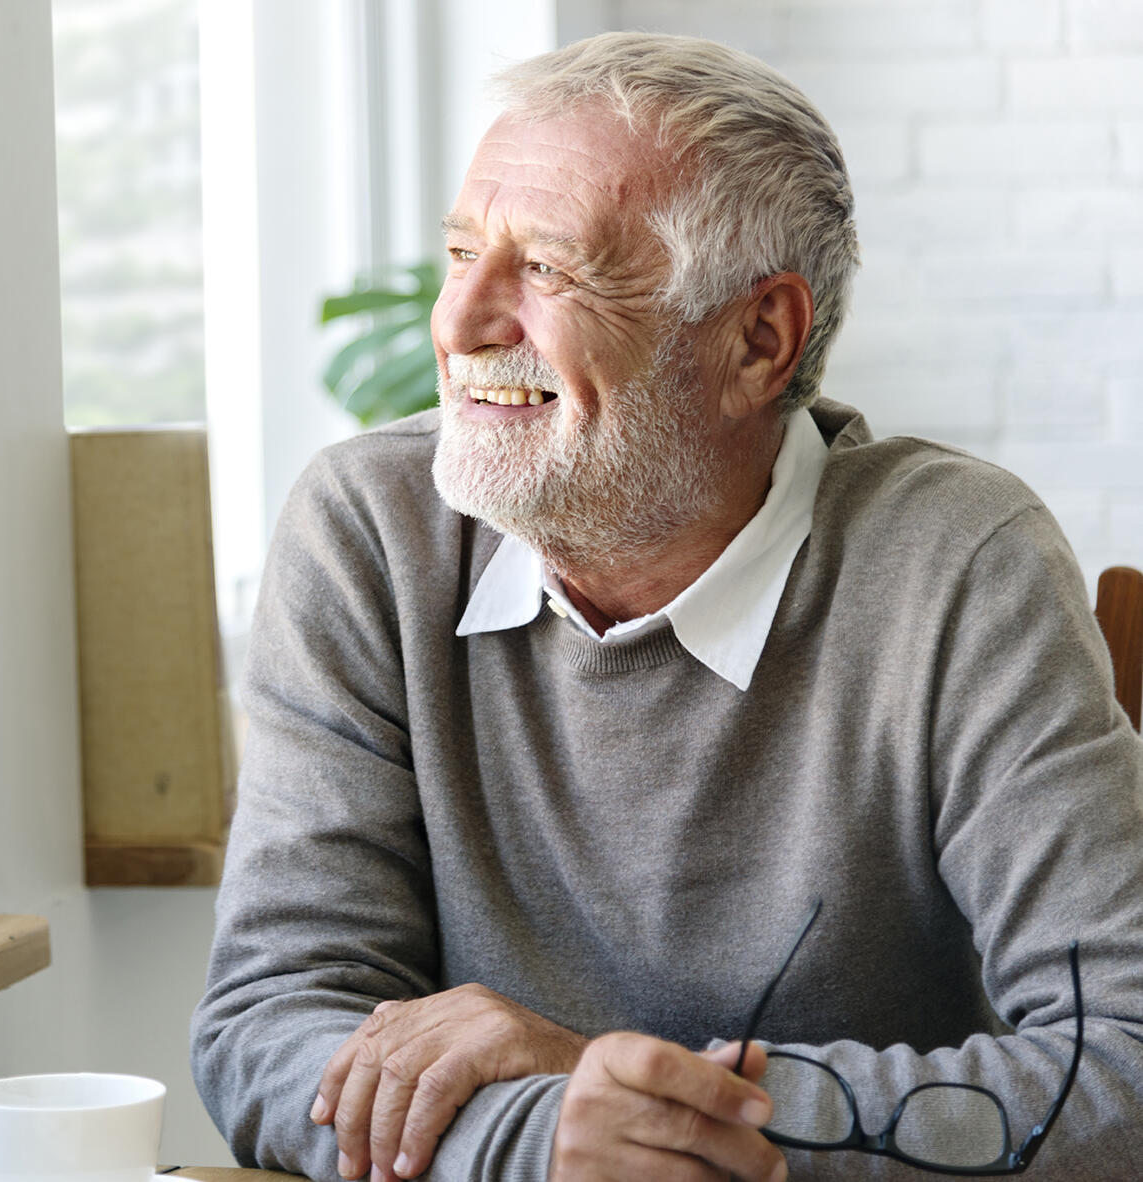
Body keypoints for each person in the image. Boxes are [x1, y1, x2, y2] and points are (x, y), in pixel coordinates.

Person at [190, 31, 1143, 1182]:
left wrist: (619, 1090)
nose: (458, 322)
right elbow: (269, 1023)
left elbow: (1121, 1068)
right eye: (461, 254)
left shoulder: (955, 563)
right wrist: (547, 1137)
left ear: (756, 340)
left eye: (547, 270)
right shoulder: (369, 530)